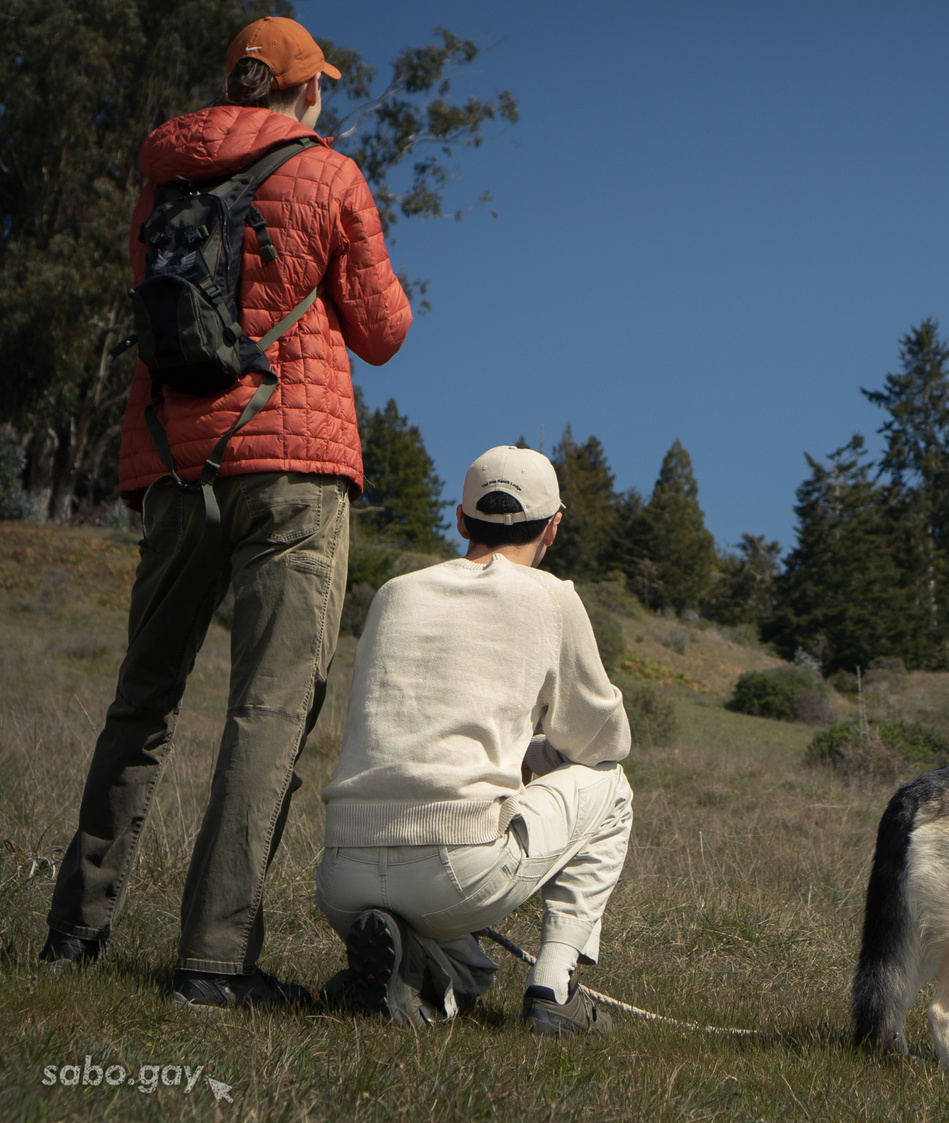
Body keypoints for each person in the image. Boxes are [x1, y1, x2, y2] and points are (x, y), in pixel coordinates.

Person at [41, 16, 412, 1010]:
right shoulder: (327, 176)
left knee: (143, 699)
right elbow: (383, 332)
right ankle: (211, 963)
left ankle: (73, 934)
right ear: (302, 92)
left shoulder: (159, 184)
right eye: (320, 84)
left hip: (170, 458)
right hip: (291, 465)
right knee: (268, 707)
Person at [314, 446, 633, 1032]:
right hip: (455, 867)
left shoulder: (394, 593)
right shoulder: (551, 597)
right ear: (553, 528)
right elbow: (604, 740)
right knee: (612, 787)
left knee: (471, 976)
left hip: (341, 874)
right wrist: (543, 756)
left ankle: (416, 973)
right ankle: (554, 990)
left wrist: (523, 757)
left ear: (461, 520)